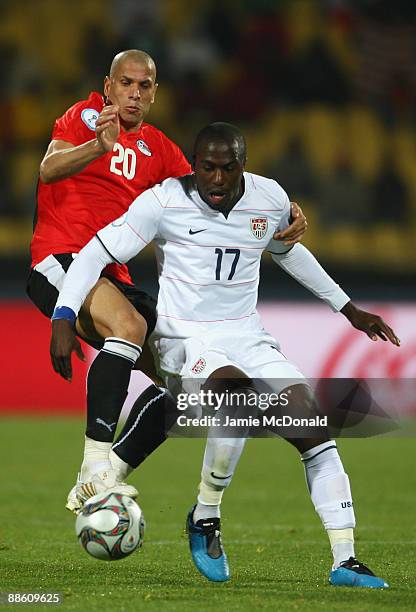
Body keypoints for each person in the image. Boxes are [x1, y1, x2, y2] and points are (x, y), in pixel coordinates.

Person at [50, 123, 399, 588]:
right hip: (184, 341)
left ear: (243, 165)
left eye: (227, 168)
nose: (216, 179)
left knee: (311, 425)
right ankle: (206, 516)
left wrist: (347, 307)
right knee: (234, 398)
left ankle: (345, 559)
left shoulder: (270, 198)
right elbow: (95, 252)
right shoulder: (164, 201)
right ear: (194, 165)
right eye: (207, 168)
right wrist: (63, 315)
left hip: (247, 336)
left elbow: (287, 251)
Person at [27, 50, 307, 513]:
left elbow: (218, 189)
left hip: (114, 275)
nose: (134, 93)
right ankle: (94, 463)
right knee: (131, 328)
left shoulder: (159, 149)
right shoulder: (86, 117)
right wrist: (99, 145)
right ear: (108, 85)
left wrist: (285, 212)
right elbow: (47, 169)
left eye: (144, 86)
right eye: (126, 83)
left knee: (183, 384)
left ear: (155, 93)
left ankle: (105, 474)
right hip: (62, 259)